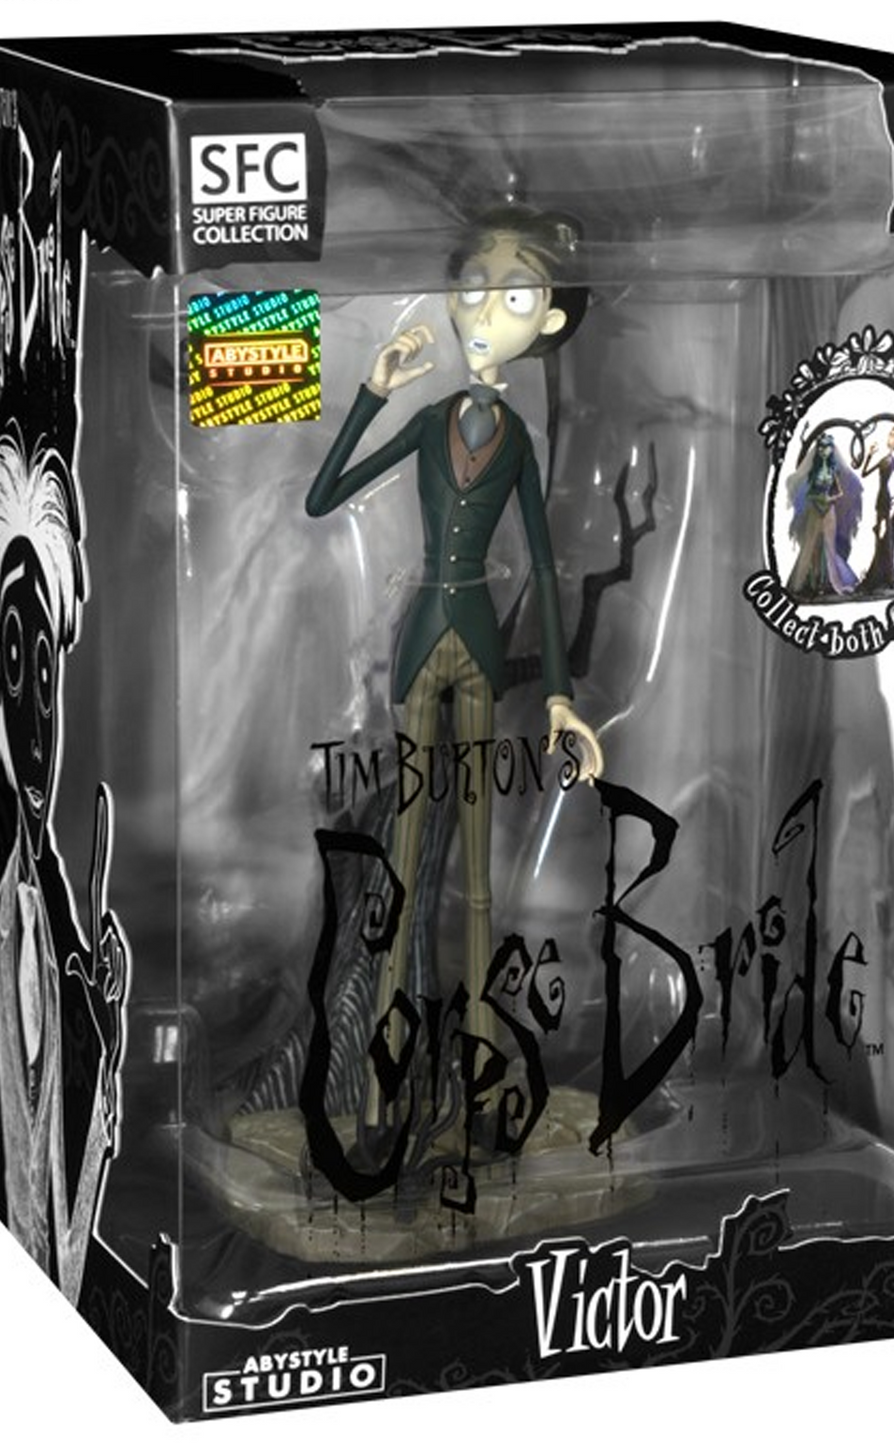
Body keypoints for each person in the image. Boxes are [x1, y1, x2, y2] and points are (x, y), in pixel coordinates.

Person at [306, 204, 603, 1094]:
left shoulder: (515, 445)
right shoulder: (430, 419)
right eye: (474, 286)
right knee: (403, 853)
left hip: (473, 635)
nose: (483, 307)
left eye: (514, 295)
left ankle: (472, 1062)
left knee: (476, 864)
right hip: (420, 640)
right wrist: (373, 390)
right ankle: (382, 1067)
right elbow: (324, 496)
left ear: (548, 321)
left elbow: (543, 567)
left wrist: (559, 698)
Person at [0, 425, 129, 1303]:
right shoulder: (3, 915)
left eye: (46, 669)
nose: (35, 718)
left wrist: (105, 1030)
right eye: (13, 660)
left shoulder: (60, 920)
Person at [786, 431, 862, 599]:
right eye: (821, 447)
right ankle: (807, 582)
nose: (823, 450)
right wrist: (820, 498)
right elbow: (809, 493)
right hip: (815, 509)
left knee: (829, 545)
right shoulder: (814, 472)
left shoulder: (833, 471)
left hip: (829, 510)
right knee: (811, 544)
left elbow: (840, 492)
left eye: (827, 447)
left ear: (831, 449)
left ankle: (829, 582)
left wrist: (830, 498)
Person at [858, 420, 894, 595]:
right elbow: (864, 473)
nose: (892, 437)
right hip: (880, 500)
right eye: (891, 434)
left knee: (885, 539)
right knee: (882, 538)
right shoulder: (884, 458)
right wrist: (869, 455)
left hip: (887, 501)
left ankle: (889, 579)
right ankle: (882, 578)